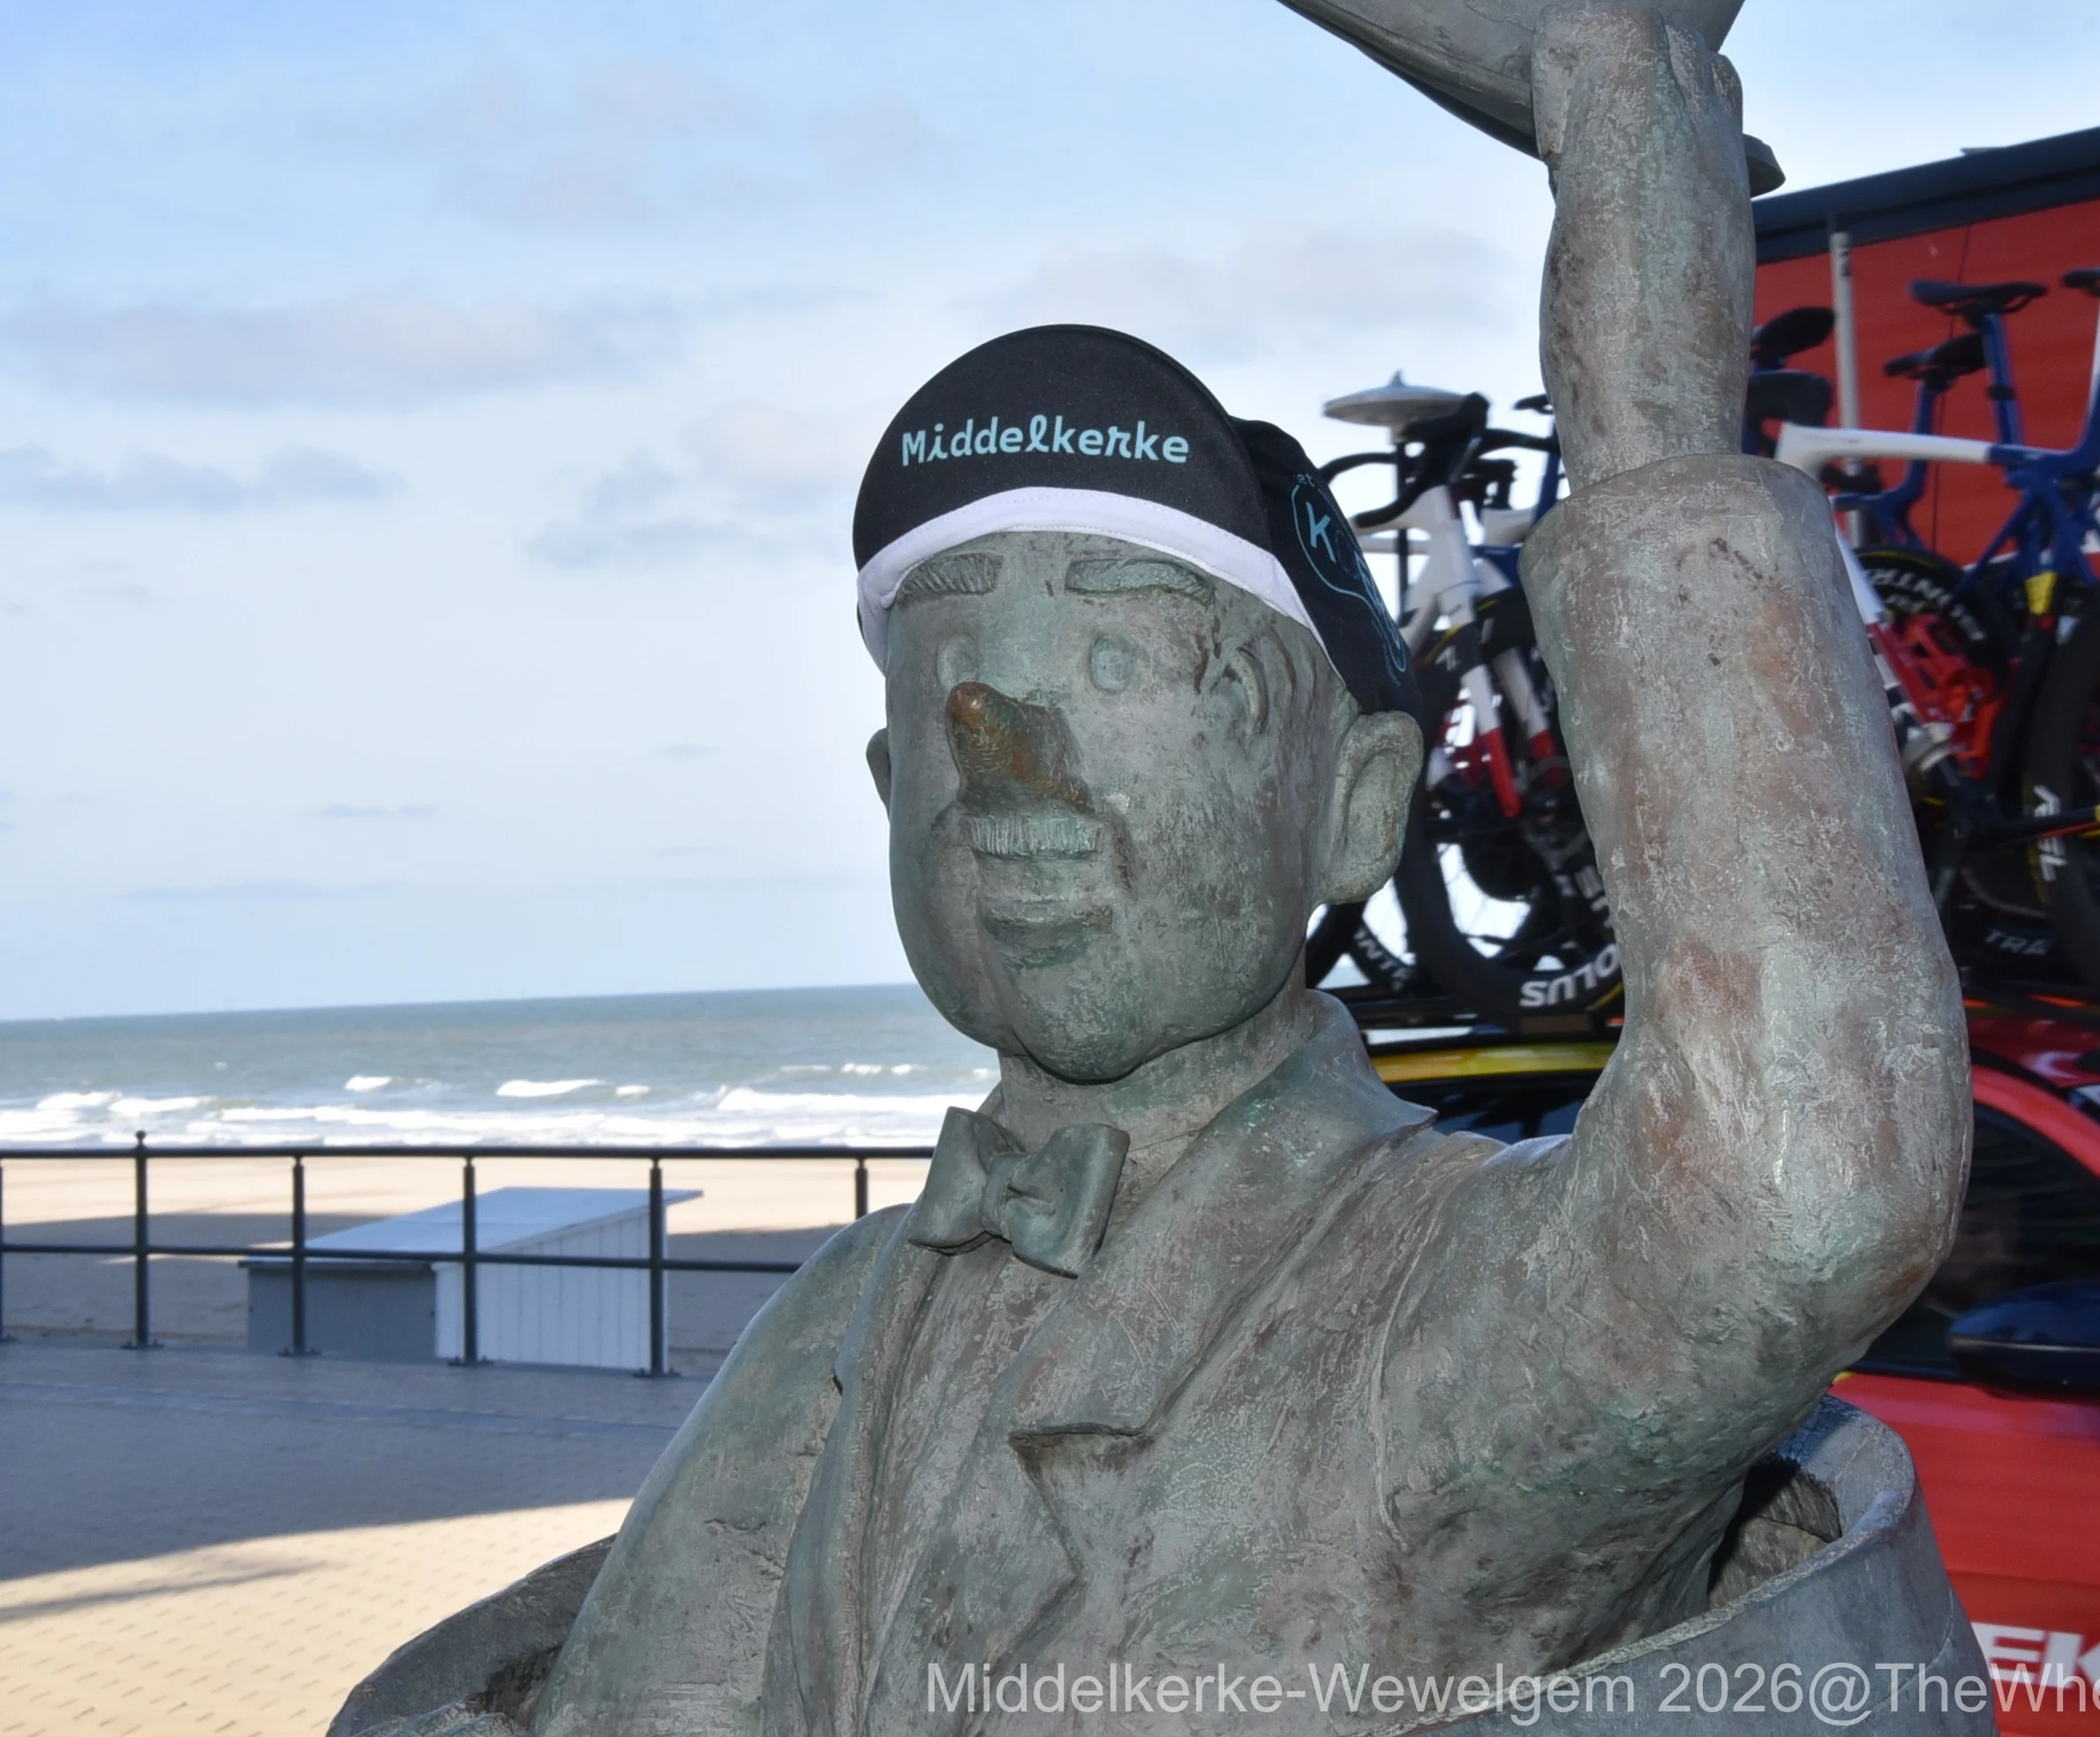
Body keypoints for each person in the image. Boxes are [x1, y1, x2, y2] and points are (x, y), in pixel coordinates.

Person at [340, 11, 1967, 1734]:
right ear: (886, 790)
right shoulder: (833, 1323)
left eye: (1118, 669)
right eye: (953, 693)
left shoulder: (1425, 1313)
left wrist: (1646, 414)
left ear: (1352, 808)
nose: (1003, 760)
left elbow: (1796, 1185)